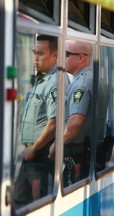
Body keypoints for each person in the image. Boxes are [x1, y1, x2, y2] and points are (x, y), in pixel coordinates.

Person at [14, 35, 59, 208]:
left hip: (41, 155)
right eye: (34, 53)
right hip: (30, 156)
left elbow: (54, 123)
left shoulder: (54, 83)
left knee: (37, 203)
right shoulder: (41, 80)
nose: (35, 59)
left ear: (54, 56)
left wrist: (34, 147)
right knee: (19, 200)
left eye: (40, 53)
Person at [49, 40, 93, 186]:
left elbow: (75, 123)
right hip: (88, 154)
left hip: (77, 157)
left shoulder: (81, 84)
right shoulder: (93, 77)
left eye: (66, 54)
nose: (62, 58)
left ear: (81, 58)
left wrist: (57, 144)